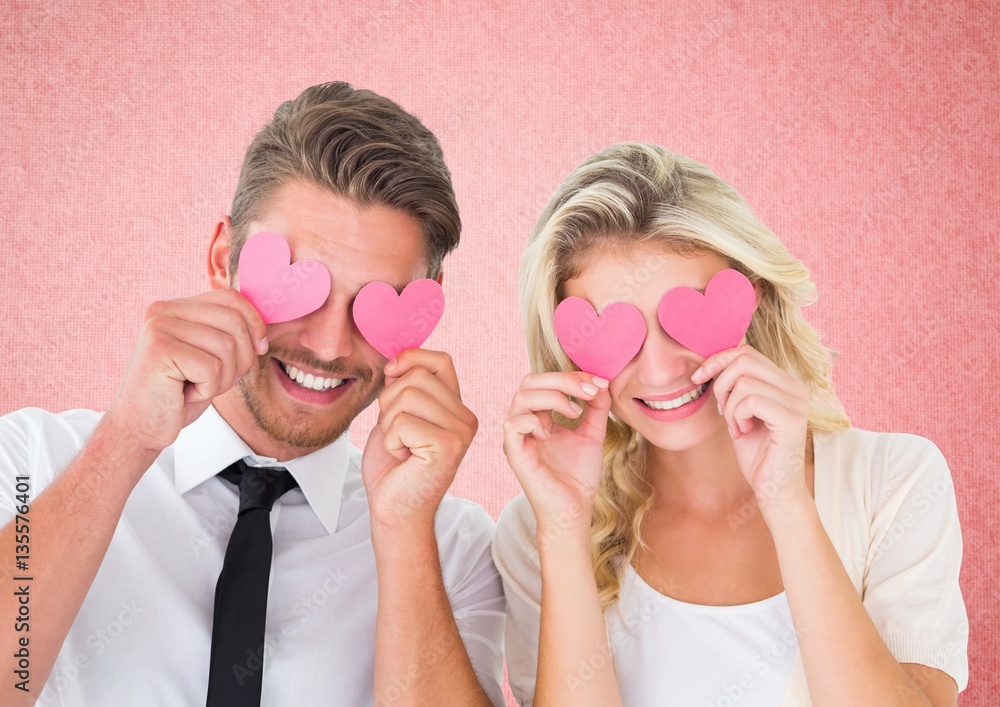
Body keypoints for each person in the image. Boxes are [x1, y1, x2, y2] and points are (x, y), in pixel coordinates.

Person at [0, 82, 504, 706]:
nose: (329, 344)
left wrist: (402, 531)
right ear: (223, 259)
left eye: (373, 303)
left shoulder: (452, 549)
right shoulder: (31, 465)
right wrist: (126, 441)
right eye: (304, 286)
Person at [493, 143, 968, 706]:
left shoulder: (895, 481)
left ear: (753, 301)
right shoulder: (538, 528)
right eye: (616, 332)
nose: (662, 369)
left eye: (684, 314)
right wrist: (565, 528)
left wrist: (786, 501)